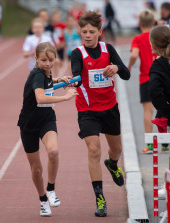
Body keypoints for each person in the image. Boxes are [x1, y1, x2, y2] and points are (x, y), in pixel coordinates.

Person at [70, 11, 130, 217]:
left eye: (91, 32)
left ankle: (112, 163)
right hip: (87, 110)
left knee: (116, 149)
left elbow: (127, 74)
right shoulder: (77, 53)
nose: (87, 35)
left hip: (110, 108)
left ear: (99, 32)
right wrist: (73, 80)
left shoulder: (108, 49)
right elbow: (77, 75)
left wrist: (115, 67)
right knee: (94, 149)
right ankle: (100, 198)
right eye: (84, 31)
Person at [17, 42, 78, 217]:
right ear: (35, 59)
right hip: (29, 124)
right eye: (43, 60)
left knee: (53, 152)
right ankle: (43, 199)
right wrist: (65, 97)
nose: (48, 63)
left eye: (51, 60)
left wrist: (59, 80)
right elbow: (41, 98)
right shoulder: (36, 74)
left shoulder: (46, 73)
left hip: (46, 120)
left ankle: (51, 189)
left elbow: (47, 83)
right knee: (36, 169)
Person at [127, 10, 165, 154]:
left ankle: (150, 144)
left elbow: (134, 54)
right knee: (162, 110)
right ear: (154, 23)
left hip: (146, 78)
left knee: (147, 111)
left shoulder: (138, 39)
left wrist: (129, 67)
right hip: (162, 77)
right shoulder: (157, 37)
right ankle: (165, 143)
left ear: (139, 23)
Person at [149, 25, 170, 199]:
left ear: (154, 46)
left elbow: (155, 92)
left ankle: (168, 186)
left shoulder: (158, 65)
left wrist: (166, 110)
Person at [51, 9, 66, 77]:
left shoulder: (62, 25)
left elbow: (65, 35)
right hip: (54, 46)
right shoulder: (51, 26)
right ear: (52, 17)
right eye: (55, 17)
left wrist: (63, 43)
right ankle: (57, 76)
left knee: (61, 62)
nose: (56, 18)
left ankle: (58, 73)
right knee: (55, 62)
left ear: (60, 18)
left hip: (61, 46)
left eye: (57, 17)